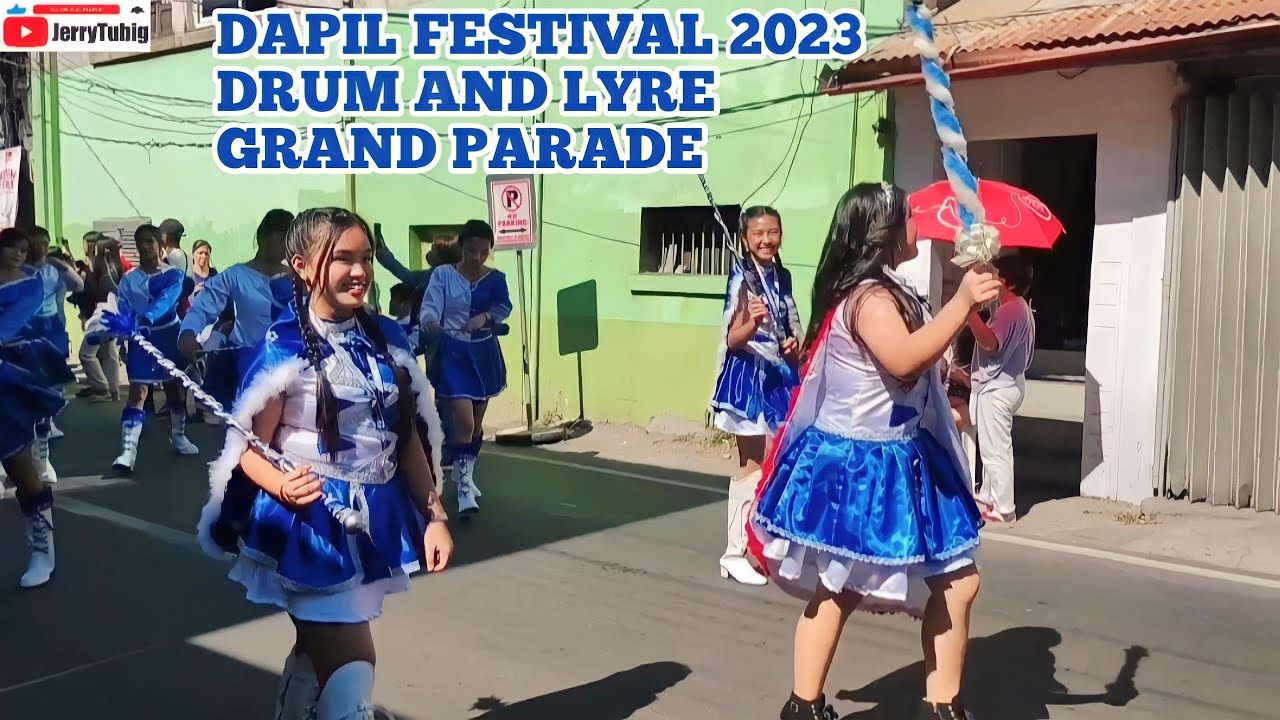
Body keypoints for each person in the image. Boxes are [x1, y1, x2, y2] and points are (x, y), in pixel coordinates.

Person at [748, 183, 1001, 720]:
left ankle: (941, 706)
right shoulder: (868, 297)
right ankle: (805, 705)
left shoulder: (891, 289)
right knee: (841, 586)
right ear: (883, 232)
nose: (918, 225)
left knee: (958, 580)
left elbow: (921, 361)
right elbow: (903, 359)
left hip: (903, 457)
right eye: (908, 217)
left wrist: (957, 351)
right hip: (861, 466)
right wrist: (960, 301)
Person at [195, 207, 451, 720]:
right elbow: (249, 447)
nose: (360, 272)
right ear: (303, 266)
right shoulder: (283, 348)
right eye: (343, 259)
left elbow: (404, 438)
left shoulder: (387, 340)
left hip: (375, 518)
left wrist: (434, 516)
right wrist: (282, 486)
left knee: (319, 652)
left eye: (366, 258)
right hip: (308, 529)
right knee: (354, 668)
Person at [708, 205, 801, 586]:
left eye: (773, 232)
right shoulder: (741, 278)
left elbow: (793, 325)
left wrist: (795, 343)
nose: (766, 240)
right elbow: (731, 338)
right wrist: (753, 322)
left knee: (779, 463)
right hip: (747, 379)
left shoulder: (782, 276)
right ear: (745, 240)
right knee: (752, 467)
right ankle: (733, 553)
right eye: (758, 234)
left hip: (778, 378)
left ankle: (759, 545)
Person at [418, 219, 511, 517]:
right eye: (471, 250)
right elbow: (431, 305)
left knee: (478, 422)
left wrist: (485, 319)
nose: (477, 257)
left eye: (483, 251)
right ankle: (463, 489)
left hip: (484, 354)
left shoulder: (496, 278)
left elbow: (503, 306)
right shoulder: (444, 275)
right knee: (465, 421)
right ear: (461, 248)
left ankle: (465, 474)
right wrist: (430, 319)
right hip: (454, 353)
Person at [0, 227, 69, 587]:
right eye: (12, 247)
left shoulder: (30, 284)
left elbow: (6, 328)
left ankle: (43, 550)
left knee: (22, 472)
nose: (18, 254)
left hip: (6, 380)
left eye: (23, 249)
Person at [178, 209, 295, 412]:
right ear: (262, 237)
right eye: (278, 235)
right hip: (247, 368)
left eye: (287, 236)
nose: (282, 243)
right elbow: (204, 306)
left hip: (290, 368)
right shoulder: (235, 276)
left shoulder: (299, 278)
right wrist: (187, 332)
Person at [108, 224, 200, 474]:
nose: (145, 246)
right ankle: (128, 451)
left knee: (174, 390)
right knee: (138, 392)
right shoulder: (129, 278)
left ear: (160, 244)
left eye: (150, 241)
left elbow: (165, 302)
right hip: (139, 341)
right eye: (140, 242)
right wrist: (121, 337)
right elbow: (122, 308)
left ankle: (178, 435)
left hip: (168, 336)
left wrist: (145, 318)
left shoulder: (173, 275)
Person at [967, 253, 1036, 524]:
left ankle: (1004, 507)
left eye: (993, 276)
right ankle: (989, 494)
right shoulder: (1017, 307)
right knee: (991, 445)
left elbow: (990, 342)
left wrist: (970, 315)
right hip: (1008, 384)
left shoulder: (1010, 309)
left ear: (1004, 281)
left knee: (996, 449)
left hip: (998, 387)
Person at [24, 225, 83, 474]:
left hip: (52, 328)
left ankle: (43, 451)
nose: (40, 249)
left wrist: (64, 266)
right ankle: (27, 448)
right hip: (25, 329)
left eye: (44, 244)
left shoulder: (53, 269)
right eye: (35, 243)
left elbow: (78, 286)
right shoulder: (17, 271)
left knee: (51, 384)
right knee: (26, 388)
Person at [76, 236, 126, 402]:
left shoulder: (107, 272)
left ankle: (101, 387)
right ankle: (113, 390)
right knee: (109, 353)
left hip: (103, 316)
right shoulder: (115, 268)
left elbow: (101, 293)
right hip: (113, 315)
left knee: (86, 354)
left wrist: (90, 276)